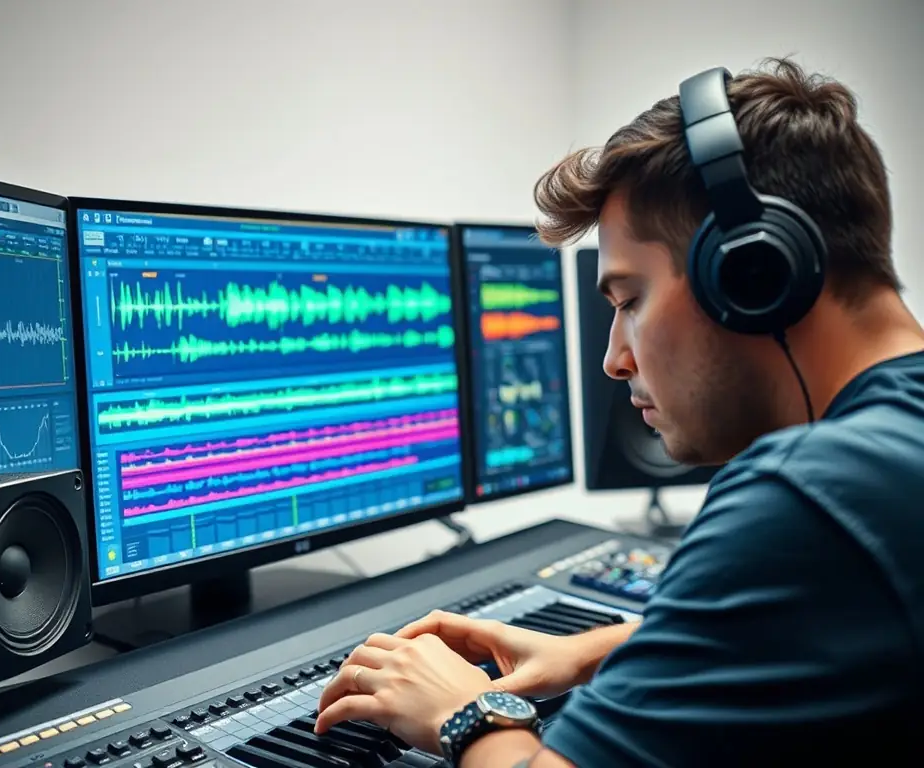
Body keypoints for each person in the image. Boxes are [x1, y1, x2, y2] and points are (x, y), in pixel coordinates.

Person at [315, 56, 924, 766]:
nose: (614, 359)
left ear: (753, 273)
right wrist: (604, 651)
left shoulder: (805, 492)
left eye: (630, 300)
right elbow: (845, 615)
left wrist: (466, 713)